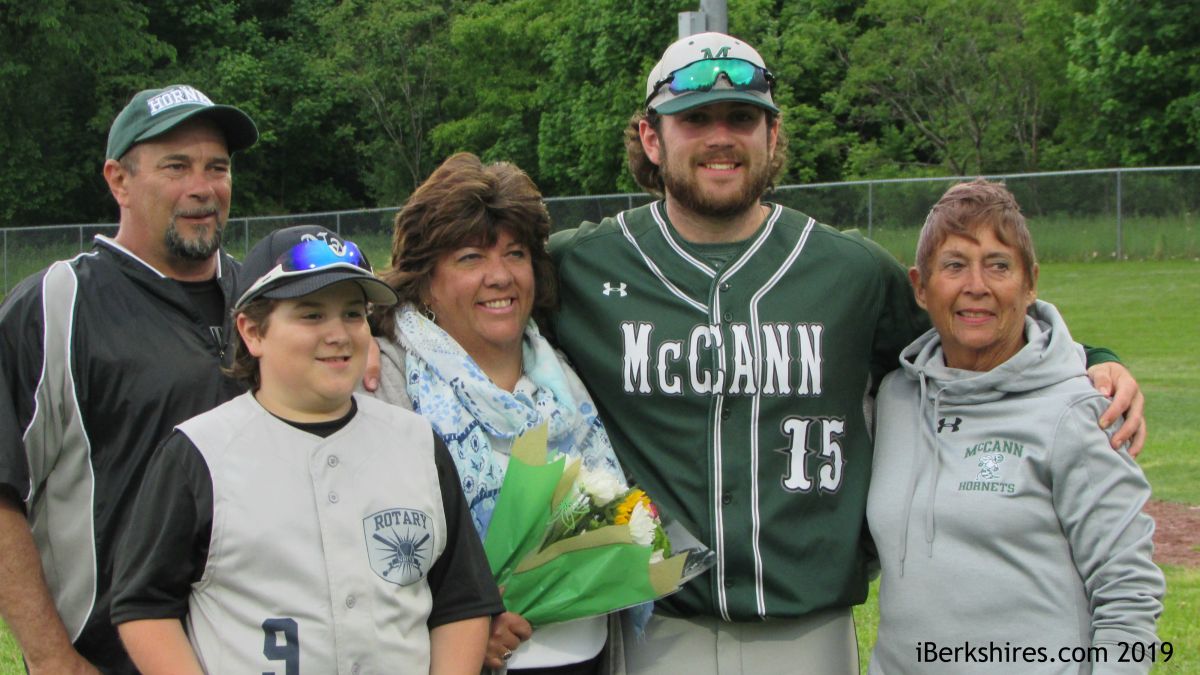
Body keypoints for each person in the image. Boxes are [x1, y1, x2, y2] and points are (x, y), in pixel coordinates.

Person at [546, 32, 1148, 674]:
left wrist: (1092, 358)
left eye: (742, 118)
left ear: (772, 135)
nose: (721, 137)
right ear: (651, 137)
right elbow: (483, 303)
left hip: (810, 633)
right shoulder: (581, 266)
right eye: (695, 120)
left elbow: (969, 330)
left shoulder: (849, 270)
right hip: (654, 630)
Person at [109, 225, 501, 673]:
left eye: (353, 314)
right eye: (312, 315)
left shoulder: (417, 443)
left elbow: (460, 603)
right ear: (252, 332)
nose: (338, 334)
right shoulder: (200, 453)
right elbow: (145, 607)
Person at [0, 84, 258, 673]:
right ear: (119, 180)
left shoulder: (266, 302)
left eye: (217, 167)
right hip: (111, 658)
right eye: (176, 167)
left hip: (255, 653)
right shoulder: (57, 304)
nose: (203, 187)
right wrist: (52, 658)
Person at [867, 180, 1163, 674]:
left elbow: (1129, 591)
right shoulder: (896, 398)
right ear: (920, 286)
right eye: (954, 265)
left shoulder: (1076, 411)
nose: (976, 285)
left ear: (1030, 283)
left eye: (999, 265)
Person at [369, 152, 627, 674]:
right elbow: (364, 542)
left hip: (587, 656)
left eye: (515, 254)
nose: (500, 276)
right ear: (426, 279)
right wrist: (456, 620)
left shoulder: (565, 373)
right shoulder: (384, 380)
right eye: (470, 258)